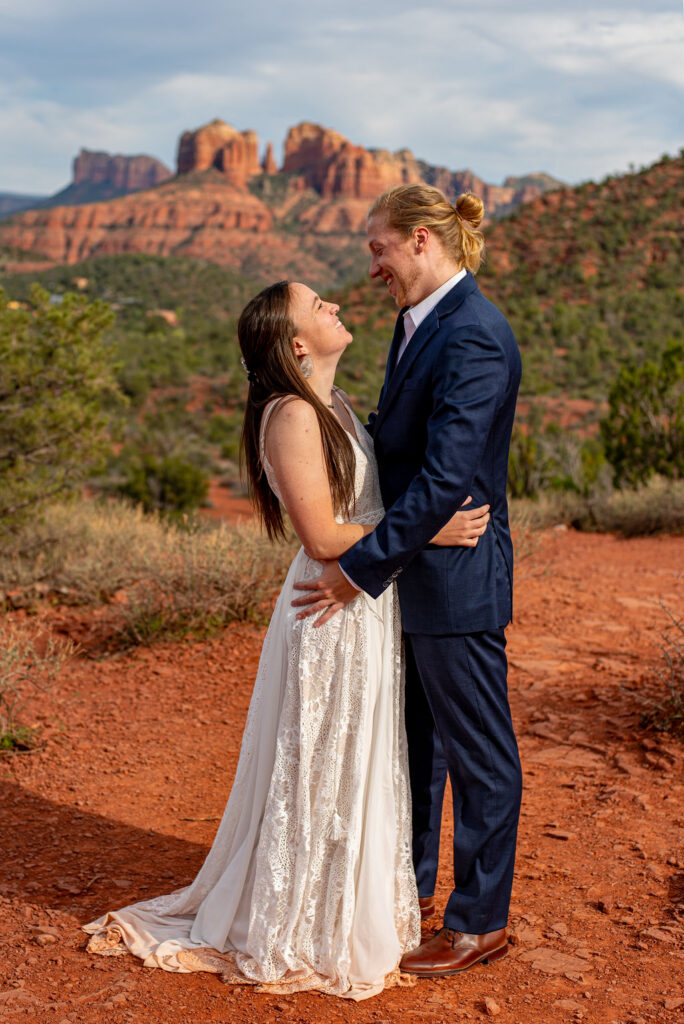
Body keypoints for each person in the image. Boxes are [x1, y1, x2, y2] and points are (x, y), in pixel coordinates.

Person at [82, 279, 491, 999]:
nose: (334, 305)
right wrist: (428, 529)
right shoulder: (293, 416)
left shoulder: (332, 403)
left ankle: (345, 900)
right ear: (297, 342)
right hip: (331, 604)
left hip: (364, 597)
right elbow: (324, 536)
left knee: (357, 752)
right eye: (317, 305)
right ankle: (304, 916)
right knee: (325, 756)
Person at [293, 184, 523, 977]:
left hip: (457, 580)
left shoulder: (473, 335)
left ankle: (479, 924)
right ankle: (409, 894)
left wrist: (355, 570)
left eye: (378, 248)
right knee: (419, 747)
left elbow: (445, 478)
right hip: (419, 572)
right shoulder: (415, 323)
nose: (372, 267)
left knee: (479, 753)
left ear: (422, 240)